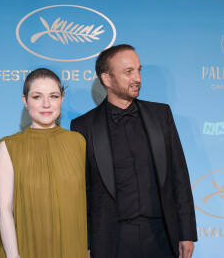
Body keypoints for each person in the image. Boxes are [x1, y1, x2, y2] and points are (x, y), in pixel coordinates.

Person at [71, 45, 197, 258]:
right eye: (128, 72)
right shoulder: (83, 126)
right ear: (107, 79)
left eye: (139, 70)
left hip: (162, 236)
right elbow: (83, 192)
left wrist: (187, 233)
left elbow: (179, 178)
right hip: (112, 239)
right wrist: (86, 243)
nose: (137, 77)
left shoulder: (161, 115)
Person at [0, 68, 88, 258]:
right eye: (37, 97)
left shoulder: (78, 142)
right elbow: (4, 210)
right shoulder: (8, 146)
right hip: (27, 250)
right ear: (25, 101)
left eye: (53, 96)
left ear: (62, 98)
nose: (46, 104)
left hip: (73, 247)